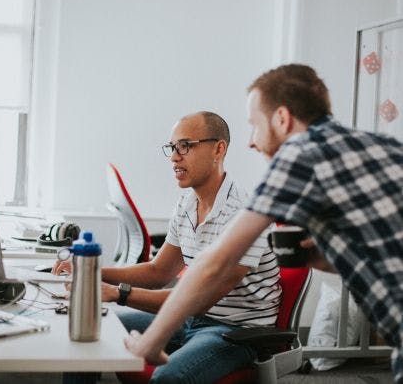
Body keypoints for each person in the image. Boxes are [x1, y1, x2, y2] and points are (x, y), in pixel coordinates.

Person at [124, 64, 403, 384]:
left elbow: (216, 264)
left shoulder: (301, 151)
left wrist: (151, 341)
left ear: (282, 119)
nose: (252, 142)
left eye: (255, 125)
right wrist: (327, 258)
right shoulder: (382, 146)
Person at [54, 111, 281, 384]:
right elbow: (158, 271)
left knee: (168, 378)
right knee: (89, 329)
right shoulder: (186, 203)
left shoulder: (243, 214)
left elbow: (198, 301)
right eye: (172, 148)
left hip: (232, 332)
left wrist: (118, 293)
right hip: (187, 321)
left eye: (185, 146)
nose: (175, 156)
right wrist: (91, 272)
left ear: (218, 149)